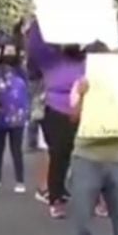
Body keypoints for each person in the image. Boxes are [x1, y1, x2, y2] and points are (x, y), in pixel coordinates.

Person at [68, 64, 118, 235]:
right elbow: (73, 119)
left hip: (117, 157)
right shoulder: (81, 84)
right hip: (87, 157)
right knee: (83, 213)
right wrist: (83, 96)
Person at [27, 20, 86, 218]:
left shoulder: (88, 60)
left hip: (86, 111)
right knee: (59, 154)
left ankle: (93, 197)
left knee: (87, 157)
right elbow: (35, 45)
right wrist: (40, 18)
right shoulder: (51, 58)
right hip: (56, 111)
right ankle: (56, 198)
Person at [0, 41, 30, 193]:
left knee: (16, 150)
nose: (10, 54)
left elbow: (27, 92)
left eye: (13, 50)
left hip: (17, 117)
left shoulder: (22, 71)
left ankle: (20, 181)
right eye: (7, 50)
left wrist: (27, 112)